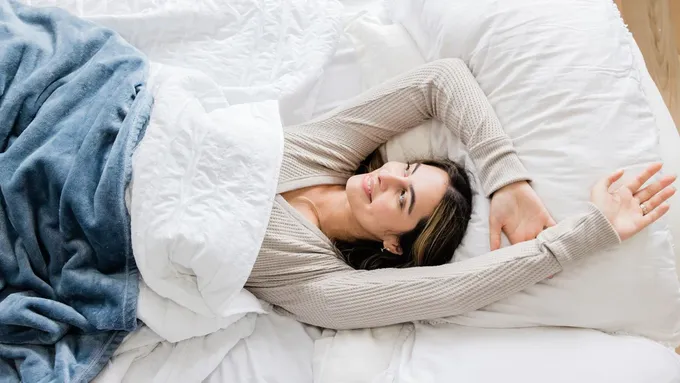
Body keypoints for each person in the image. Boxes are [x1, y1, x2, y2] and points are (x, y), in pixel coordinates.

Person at [245, 59, 676, 330]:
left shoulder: (318, 285)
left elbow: (456, 290)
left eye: (403, 199)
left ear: (393, 244)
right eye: (407, 170)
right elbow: (440, 80)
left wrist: (591, 233)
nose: (389, 178)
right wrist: (506, 179)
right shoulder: (325, 153)